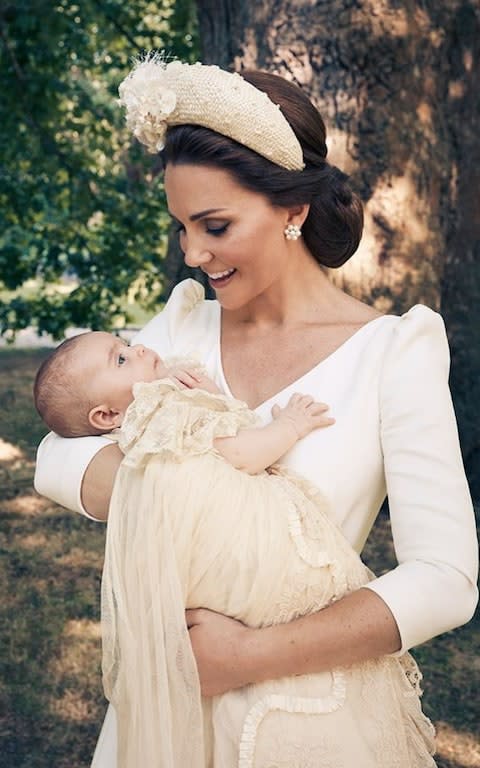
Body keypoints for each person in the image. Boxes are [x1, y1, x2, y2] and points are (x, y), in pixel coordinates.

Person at [33, 55, 478, 767]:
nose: (193, 255)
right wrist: (202, 484)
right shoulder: (180, 331)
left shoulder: (393, 353)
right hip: (163, 719)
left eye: (214, 225)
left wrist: (247, 655)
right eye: (182, 228)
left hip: (311, 717)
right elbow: (57, 457)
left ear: (293, 209)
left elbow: (446, 579)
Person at [33, 328, 437, 767]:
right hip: (260, 561)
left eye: (124, 344)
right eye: (120, 360)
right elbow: (241, 454)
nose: (140, 349)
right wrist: (289, 426)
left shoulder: (151, 416)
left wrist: (205, 399)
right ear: (106, 414)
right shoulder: (160, 411)